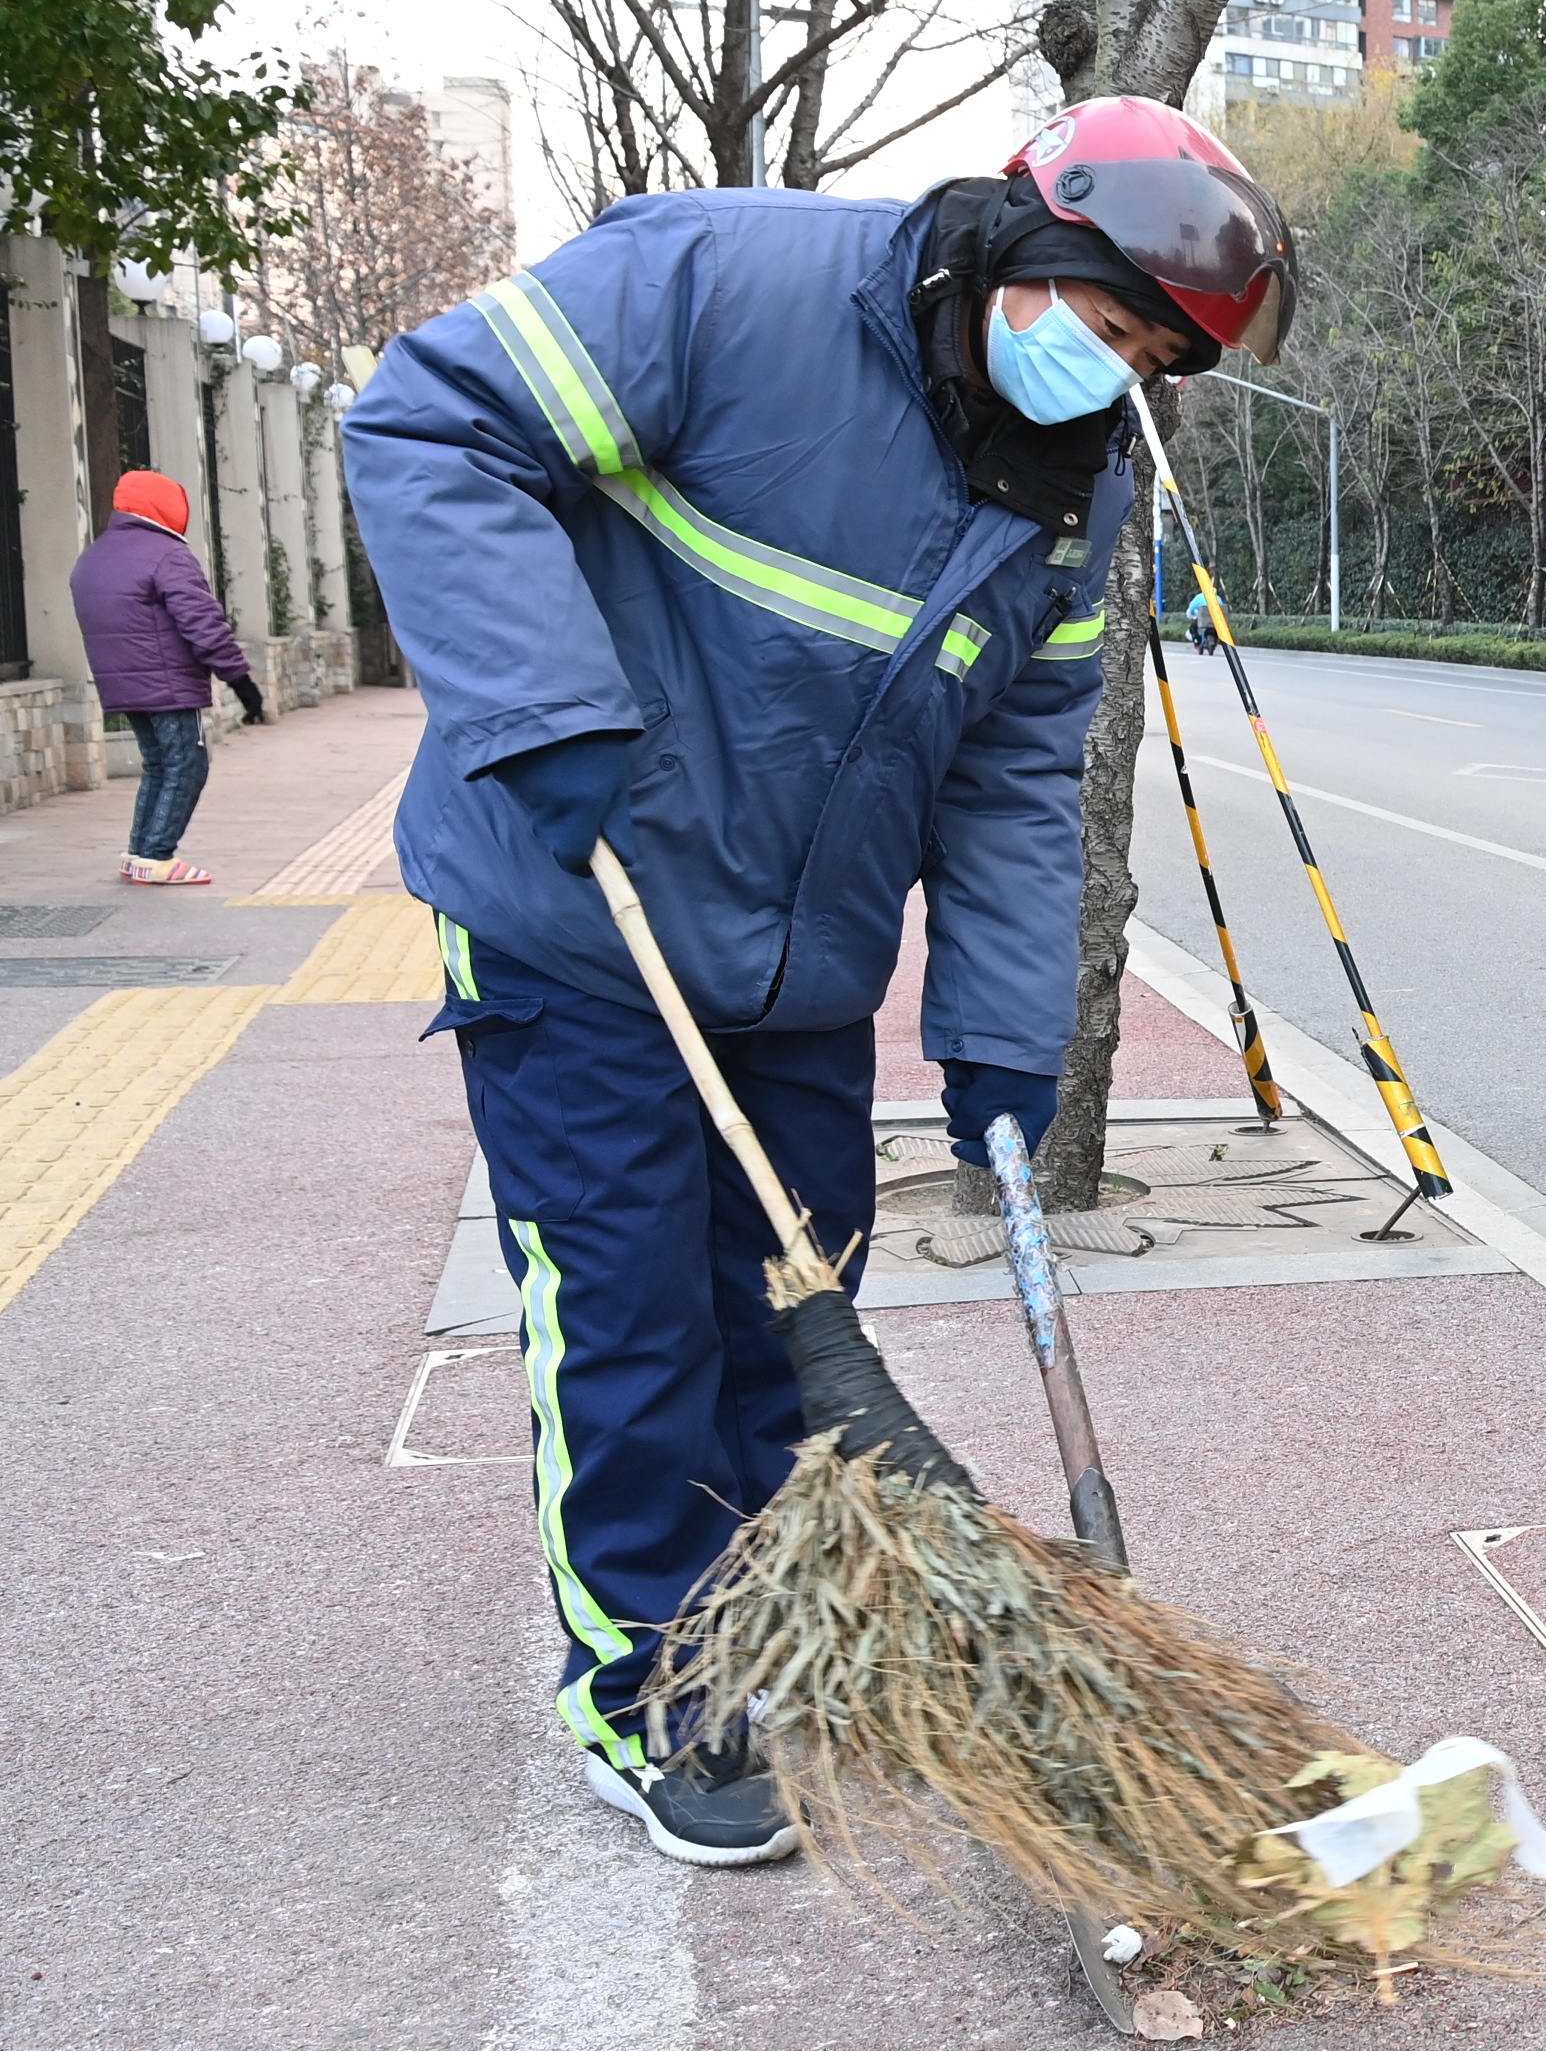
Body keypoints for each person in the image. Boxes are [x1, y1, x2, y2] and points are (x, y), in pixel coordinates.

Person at [342, 98, 1297, 1867]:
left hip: (796, 959)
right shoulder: (722, 282)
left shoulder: (1071, 502)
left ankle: (763, 1612)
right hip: (584, 895)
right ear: (1032, 251)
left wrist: (1008, 1043)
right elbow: (425, 421)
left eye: (1149, 364)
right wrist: (542, 710)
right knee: (629, 1312)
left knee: (790, 1314)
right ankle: (646, 1685)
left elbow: (1015, 779)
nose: (1109, 379)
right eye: (1103, 331)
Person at [71, 470, 266, 885]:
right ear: (168, 507)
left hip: (122, 684)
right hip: (169, 685)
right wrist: (241, 683)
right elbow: (203, 622)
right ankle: (158, 856)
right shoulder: (167, 555)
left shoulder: (95, 555)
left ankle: (139, 853)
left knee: (159, 765)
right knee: (187, 766)